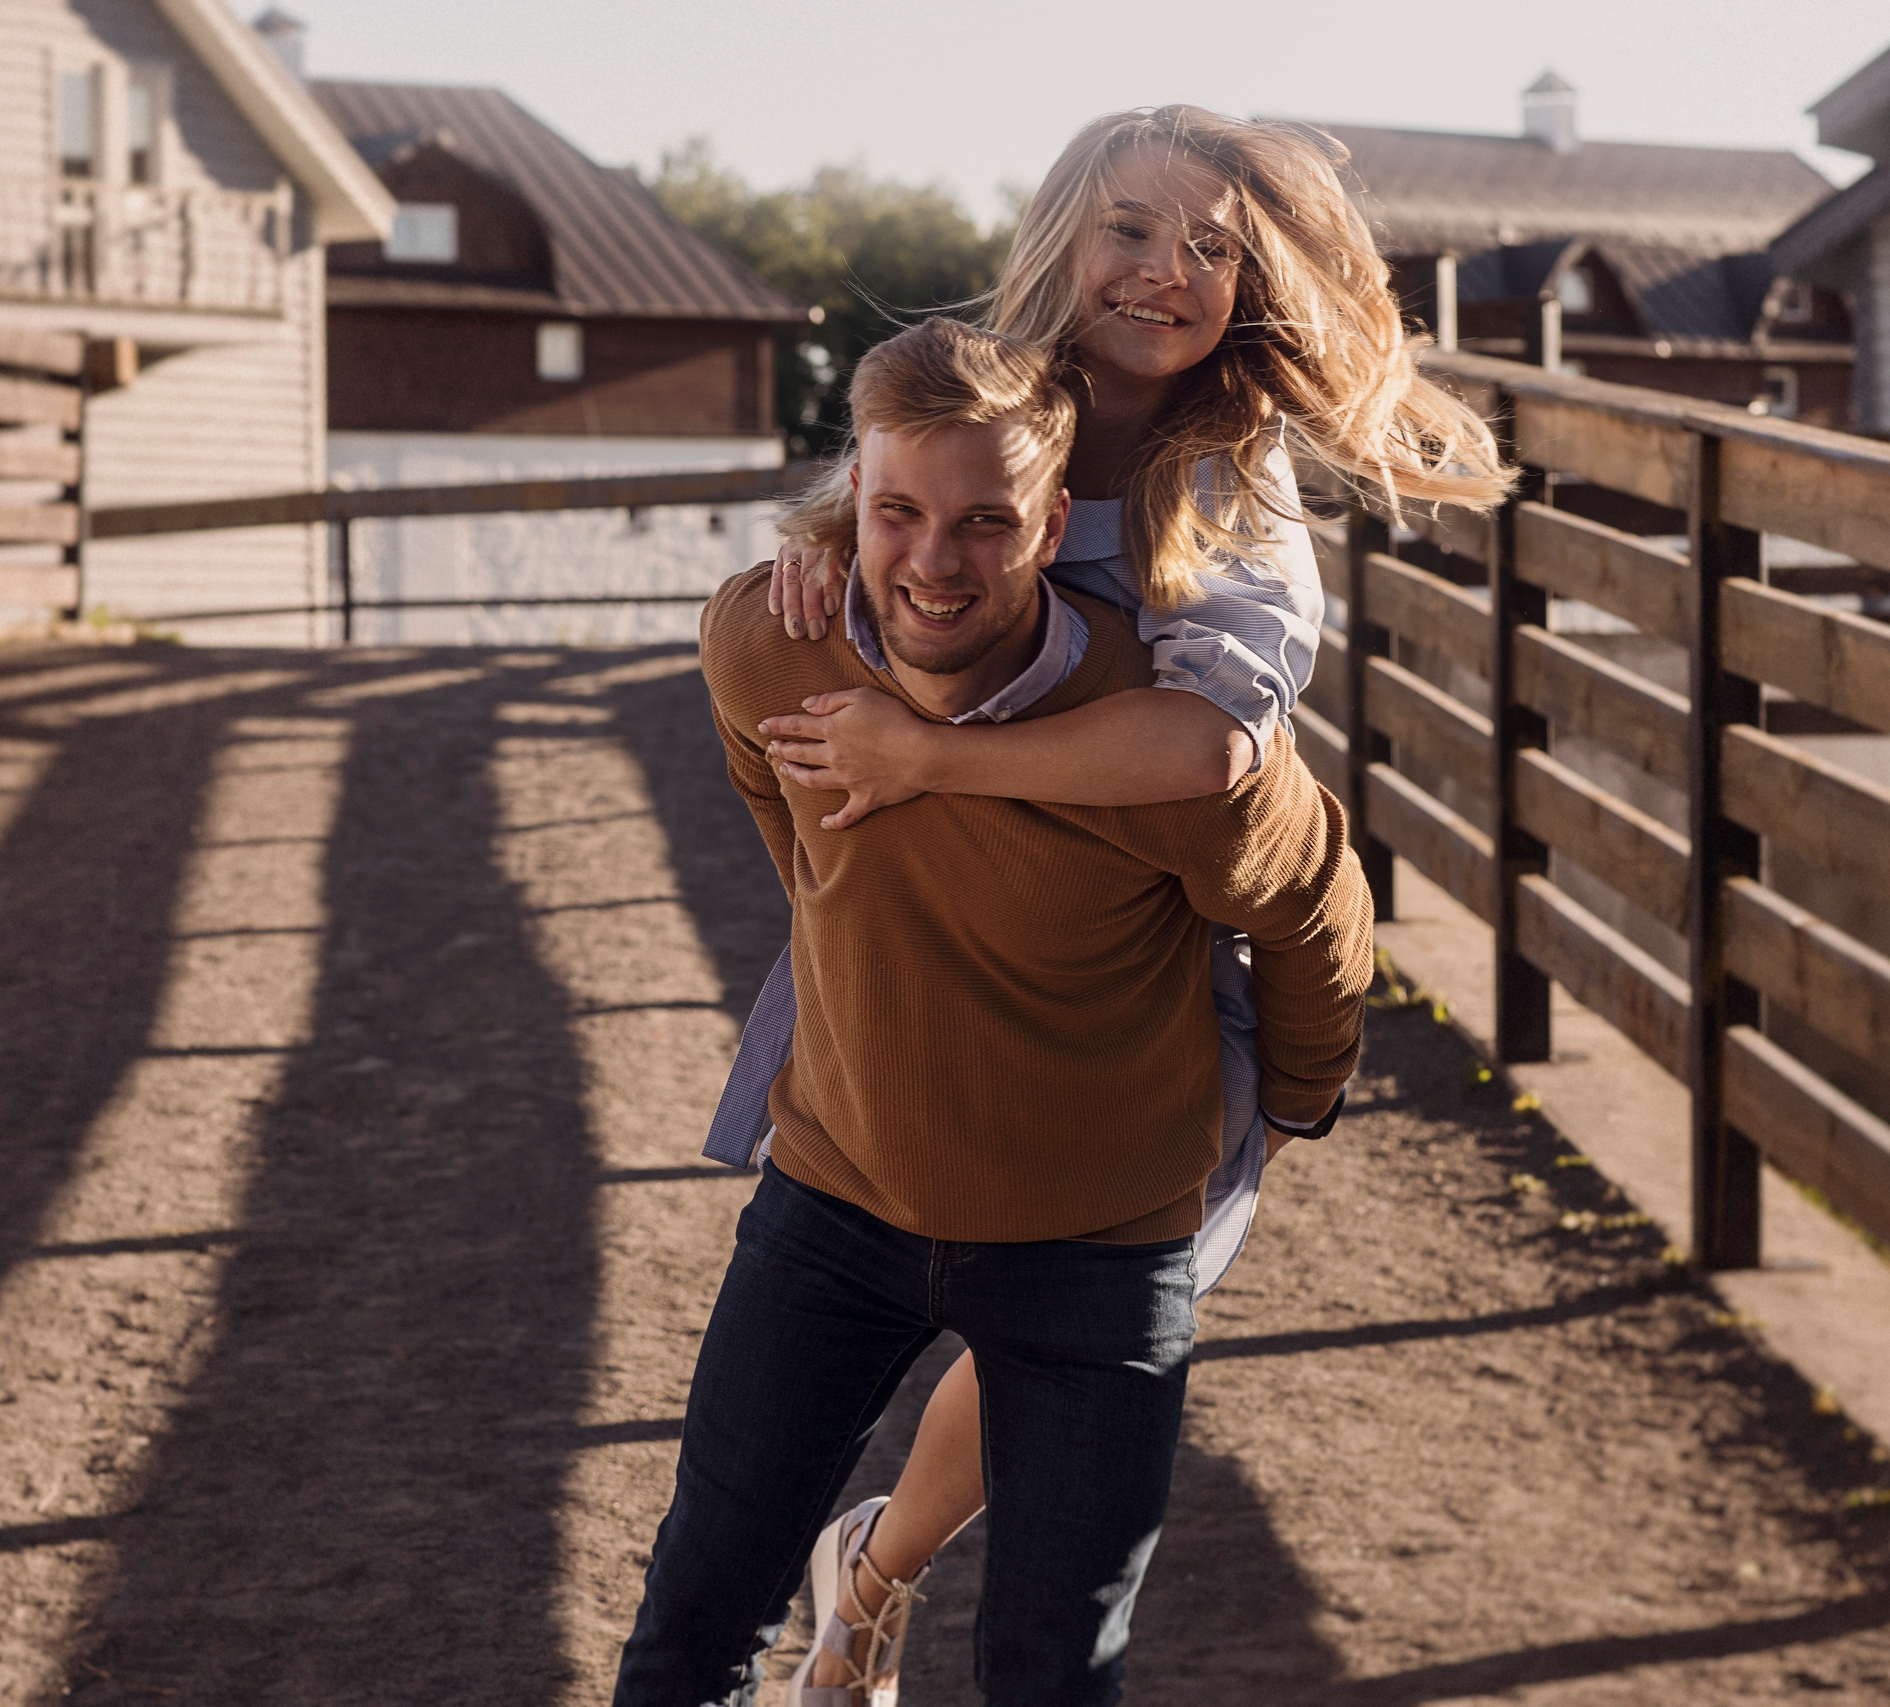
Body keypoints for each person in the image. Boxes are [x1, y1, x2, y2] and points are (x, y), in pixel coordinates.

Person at [697, 106, 1509, 1701]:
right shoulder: (982, 405)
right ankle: (867, 1577)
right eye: (1131, 229)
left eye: (1212, 247)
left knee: (1079, 1301)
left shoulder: (1229, 485)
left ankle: (878, 1567)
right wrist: (819, 557)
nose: (1164, 270)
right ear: (1064, 236)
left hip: (1155, 964)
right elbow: (870, 558)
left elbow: (1208, 750)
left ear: (1255, 282)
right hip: (960, 936)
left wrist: (933, 762)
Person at [614, 317, 1374, 1706]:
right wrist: (854, 932)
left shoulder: (1162, 737)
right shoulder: (769, 644)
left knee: (1052, 1674)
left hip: (1099, 1247)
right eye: (898, 513)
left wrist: (1296, 1098)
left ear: (1055, 525)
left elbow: (1317, 900)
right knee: (690, 1631)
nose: (935, 562)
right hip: (837, 1200)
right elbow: (778, 806)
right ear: (852, 496)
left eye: (986, 521)